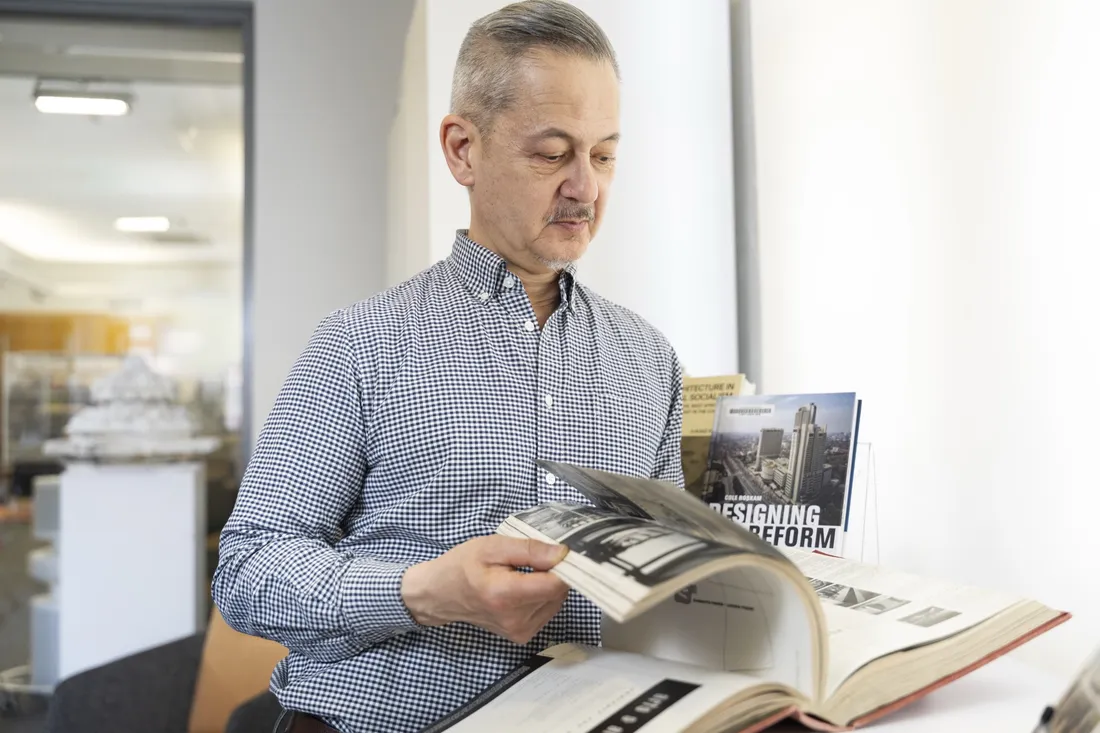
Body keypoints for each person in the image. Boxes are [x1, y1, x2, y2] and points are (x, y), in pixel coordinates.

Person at [212, 2, 684, 731]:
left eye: (604, 154)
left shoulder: (651, 360)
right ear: (463, 149)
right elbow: (247, 572)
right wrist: (422, 590)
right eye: (553, 153)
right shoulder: (359, 342)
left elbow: (664, 586)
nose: (586, 188)